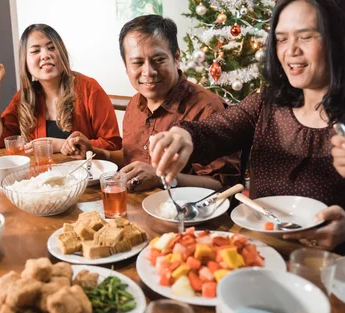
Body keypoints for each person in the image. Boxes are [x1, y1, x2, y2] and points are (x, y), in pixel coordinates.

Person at [149, 0, 345, 248]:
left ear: (341, 39)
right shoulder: (268, 103)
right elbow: (215, 130)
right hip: (260, 251)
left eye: (306, 36)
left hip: (338, 271)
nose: (291, 51)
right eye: (281, 39)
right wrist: (183, 135)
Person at [60, 15, 240, 192]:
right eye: (137, 63)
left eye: (159, 60)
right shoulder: (135, 104)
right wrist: (94, 153)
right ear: (126, 66)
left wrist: (162, 178)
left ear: (176, 57)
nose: (148, 72)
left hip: (188, 216)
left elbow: (224, 185)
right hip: (136, 210)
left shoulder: (207, 108)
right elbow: (131, 158)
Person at [0, 24, 121, 154]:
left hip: (85, 177)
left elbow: (113, 146)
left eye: (52, 47)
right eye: (35, 51)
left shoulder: (89, 89)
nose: (45, 55)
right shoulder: (25, 97)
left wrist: (60, 145)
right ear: (25, 61)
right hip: (42, 177)